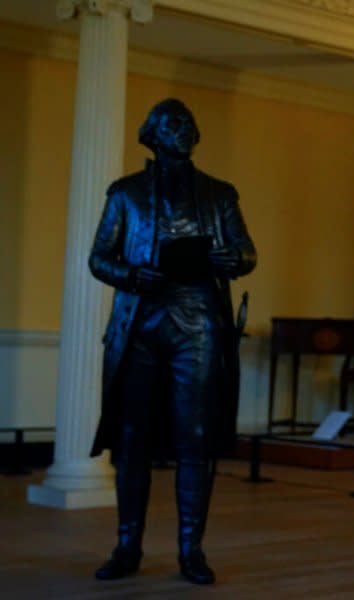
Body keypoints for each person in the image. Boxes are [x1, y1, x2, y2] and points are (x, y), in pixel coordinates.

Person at [87, 98, 256, 585]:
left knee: (194, 439)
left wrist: (232, 261)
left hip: (198, 322)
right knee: (132, 439)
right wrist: (131, 274)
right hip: (140, 321)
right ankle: (126, 545)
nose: (185, 128)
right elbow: (99, 258)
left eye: (189, 121)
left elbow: (246, 252)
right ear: (153, 134)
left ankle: (191, 550)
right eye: (174, 123)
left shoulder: (220, 195)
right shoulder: (125, 194)